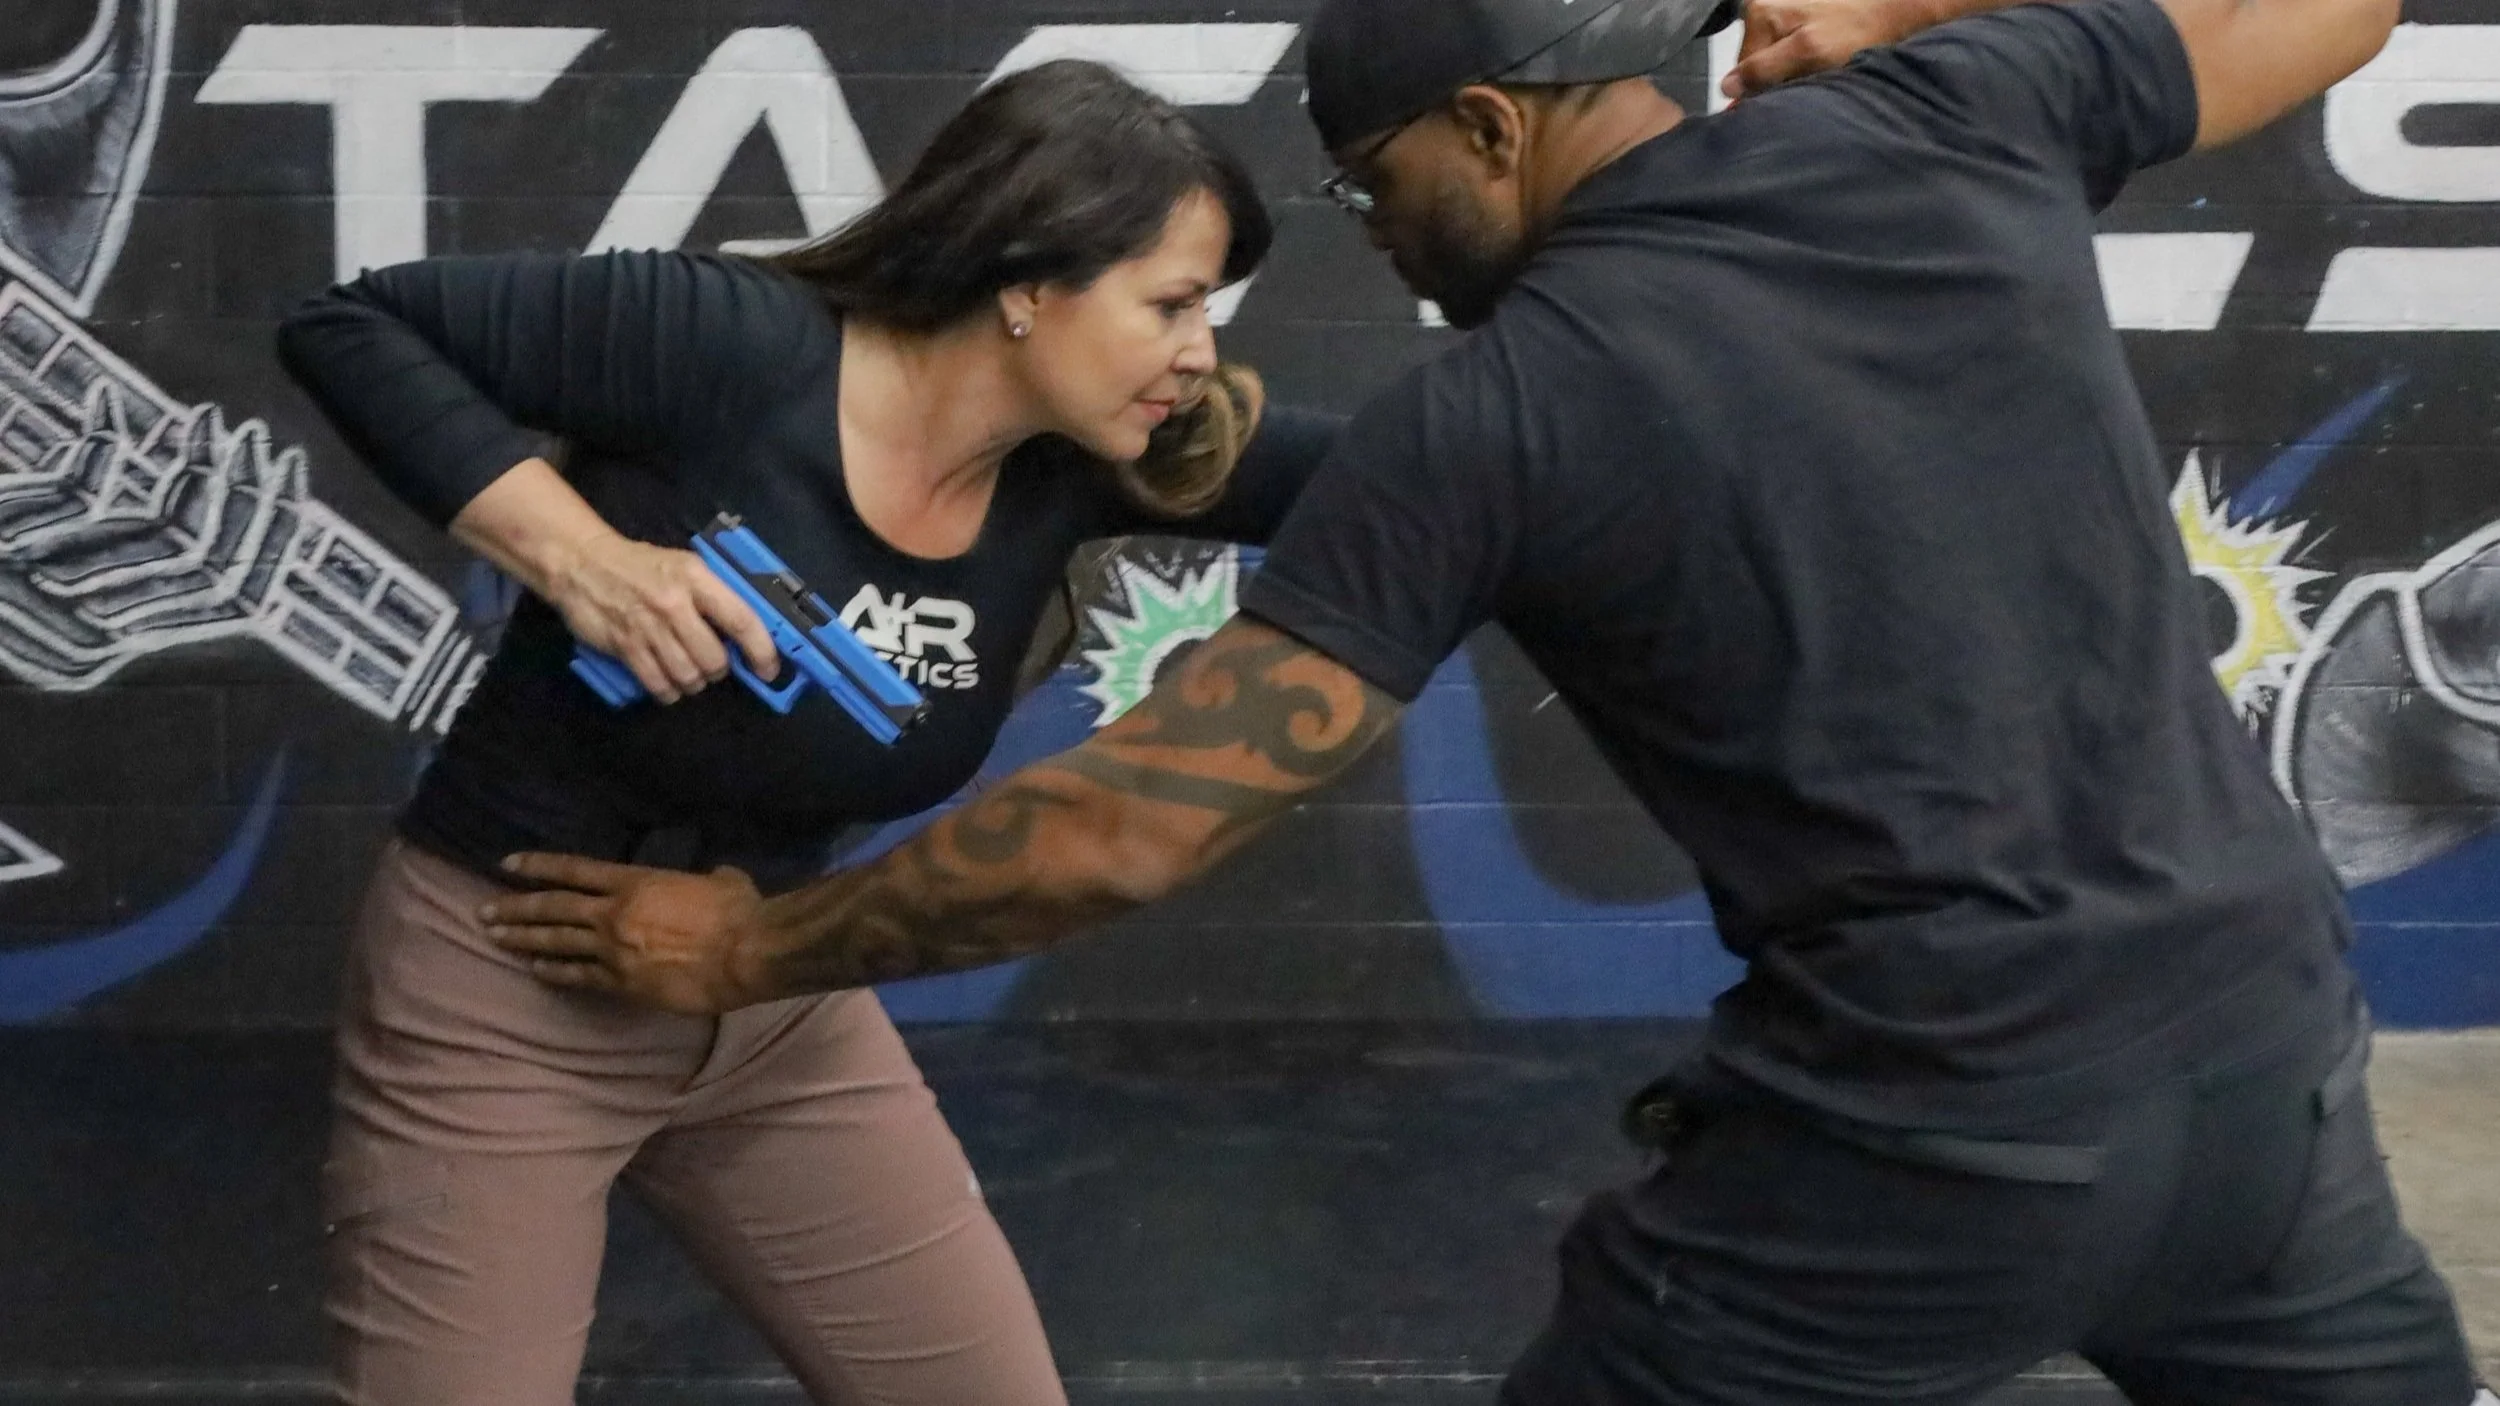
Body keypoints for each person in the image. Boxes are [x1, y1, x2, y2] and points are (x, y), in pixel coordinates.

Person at [477, 0, 2487, 1400]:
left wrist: (751, 944)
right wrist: (1901, 18)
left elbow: (1124, 825)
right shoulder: (1954, 112)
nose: (1374, 236)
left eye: (1370, 188)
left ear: (1493, 128)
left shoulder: (1498, 411)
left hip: (1926, 1145)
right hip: (2269, 1070)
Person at [274, 59, 1341, 1406]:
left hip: (774, 1004)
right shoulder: (734, 343)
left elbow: (1428, 475)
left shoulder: (1081, 465)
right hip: (509, 998)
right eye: (1172, 303)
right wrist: (584, 557)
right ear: (1029, 281)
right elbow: (352, 325)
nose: (1202, 350)